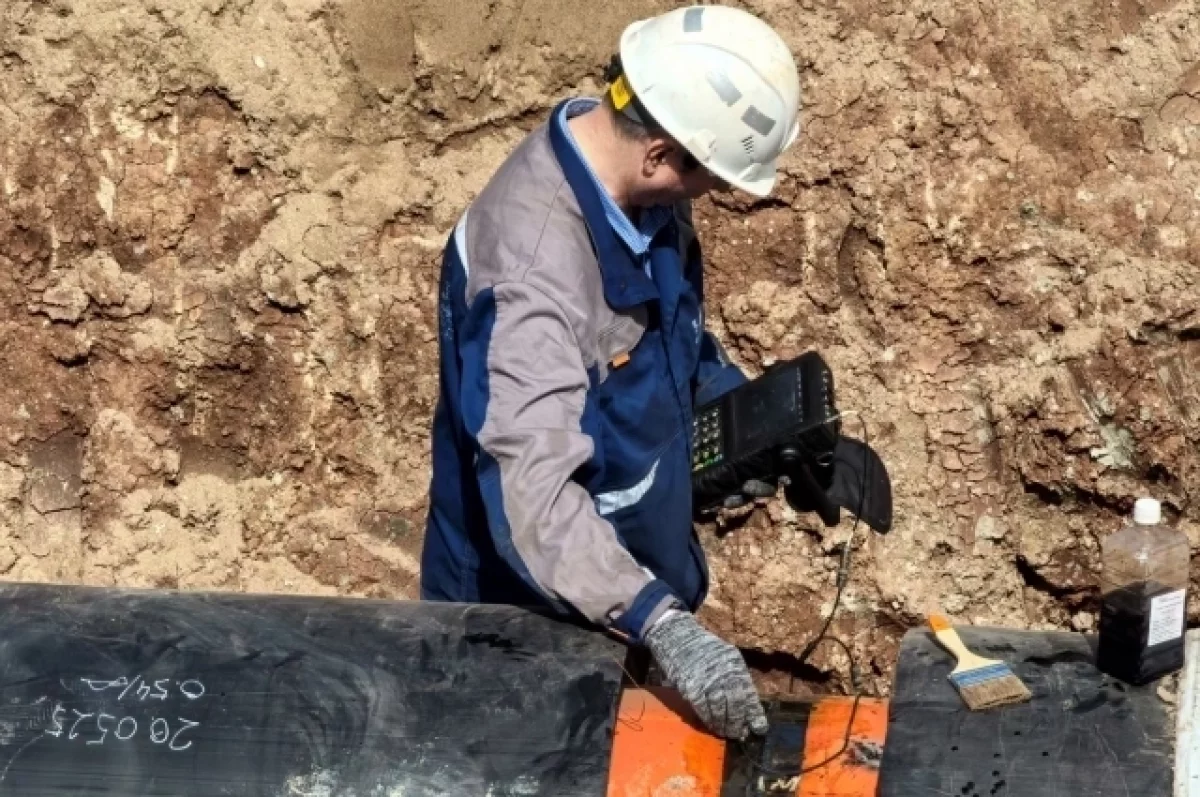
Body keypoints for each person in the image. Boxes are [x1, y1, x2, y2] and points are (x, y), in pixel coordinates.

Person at [419, 4, 803, 741]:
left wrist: (762, 427)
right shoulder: (531, 278)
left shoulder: (638, 196)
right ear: (661, 153)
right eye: (712, 178)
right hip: (521, 624)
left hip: (619, 592)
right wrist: (660, 620)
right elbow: (535, 500)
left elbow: (671, 345)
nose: (712, 195)